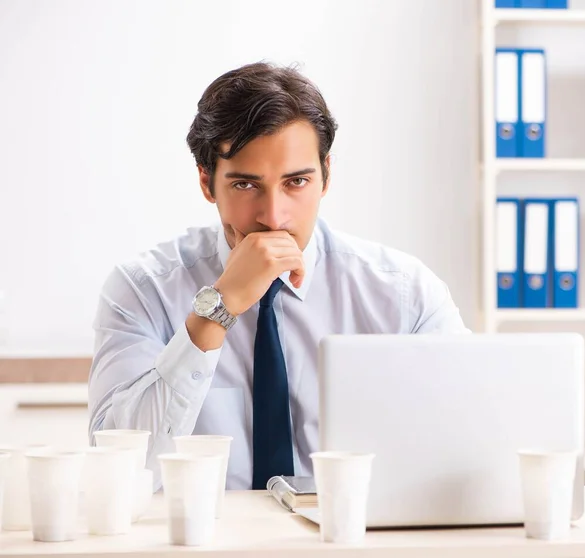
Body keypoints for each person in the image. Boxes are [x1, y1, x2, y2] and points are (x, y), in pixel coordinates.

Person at [88, 62, 469, 491]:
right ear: (207, 182)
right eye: (246, 185)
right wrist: (217, 309)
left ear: (326, 175)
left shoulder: (404, 294)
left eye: (296, 182)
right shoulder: (143, 289)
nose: (273, 217)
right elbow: (119, 470)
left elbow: (465, 443)